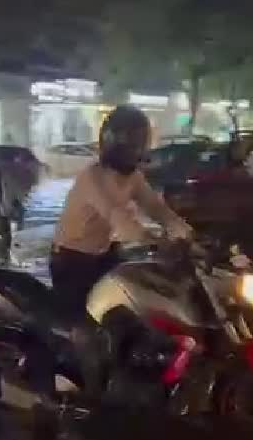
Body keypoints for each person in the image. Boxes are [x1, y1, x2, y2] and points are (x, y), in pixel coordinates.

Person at [50, 105, 193, 315]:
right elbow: (120, 221)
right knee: (84, 324)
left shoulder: (133, 176)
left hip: (105, 253)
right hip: (72, 260)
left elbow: (156, 209)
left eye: (140, 144)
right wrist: (156, 240)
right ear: (114, 144)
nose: (137, 151)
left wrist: (187, 233)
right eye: (132, 145)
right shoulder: (93, 178)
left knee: (132, 308)